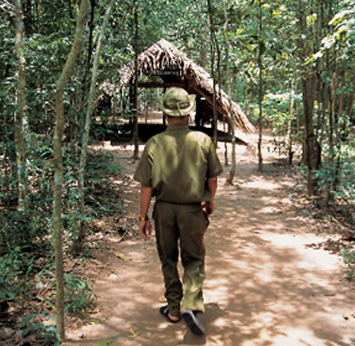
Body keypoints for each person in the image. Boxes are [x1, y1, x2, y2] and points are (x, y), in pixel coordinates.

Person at [133, 87, 223, 335]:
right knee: (194, 259)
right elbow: (212, 179)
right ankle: (191, 304)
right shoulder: (202, 140)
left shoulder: (155, 143)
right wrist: (210, 200)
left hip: (164, 210)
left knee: (168, 259)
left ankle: (173, 308)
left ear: (165, 113)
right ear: (188, 113)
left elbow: (146, 186)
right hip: (192, 210)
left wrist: (142, 217)